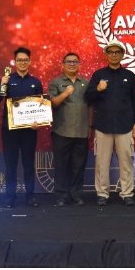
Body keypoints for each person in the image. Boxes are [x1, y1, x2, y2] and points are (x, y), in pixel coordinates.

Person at [85, 41, 135, 206]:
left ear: (122, 54)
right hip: (103, 125)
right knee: (102, 163)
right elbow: (88, 97)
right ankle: (102, 193)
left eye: (117, 52)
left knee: (126, 161)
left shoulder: (129, 75)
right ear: (106, 54)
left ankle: (127, 193)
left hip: (125, 126)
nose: (114, 54)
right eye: (111, 52)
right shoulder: (98, 75)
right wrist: (98, 89)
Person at [0, 47, 43, 208]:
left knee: (29, 164)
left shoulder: (35, 82)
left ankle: (30, 196)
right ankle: (10, 197)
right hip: (10, 130)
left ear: (29, 61)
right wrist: (2, 85)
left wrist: (38, 121)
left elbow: (41, 106)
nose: (22, 62)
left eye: (25, 60)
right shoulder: (7, 79)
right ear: (15, 62)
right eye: (19, 60)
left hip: (30, 130)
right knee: (11, 164)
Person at [49, 52, 91, 206]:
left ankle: (76, 195)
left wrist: (90, 126)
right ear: (63, 65)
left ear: (79, 65)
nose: (72, 64)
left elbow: (90, 106)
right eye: (69, 62)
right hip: (61, 131)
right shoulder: (56, 82)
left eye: (75, 62)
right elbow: (53, 103)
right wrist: (65, 93)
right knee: (61, 166)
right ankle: (61, 196)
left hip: (81, 131)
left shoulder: (85, 83)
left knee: (78, 166)